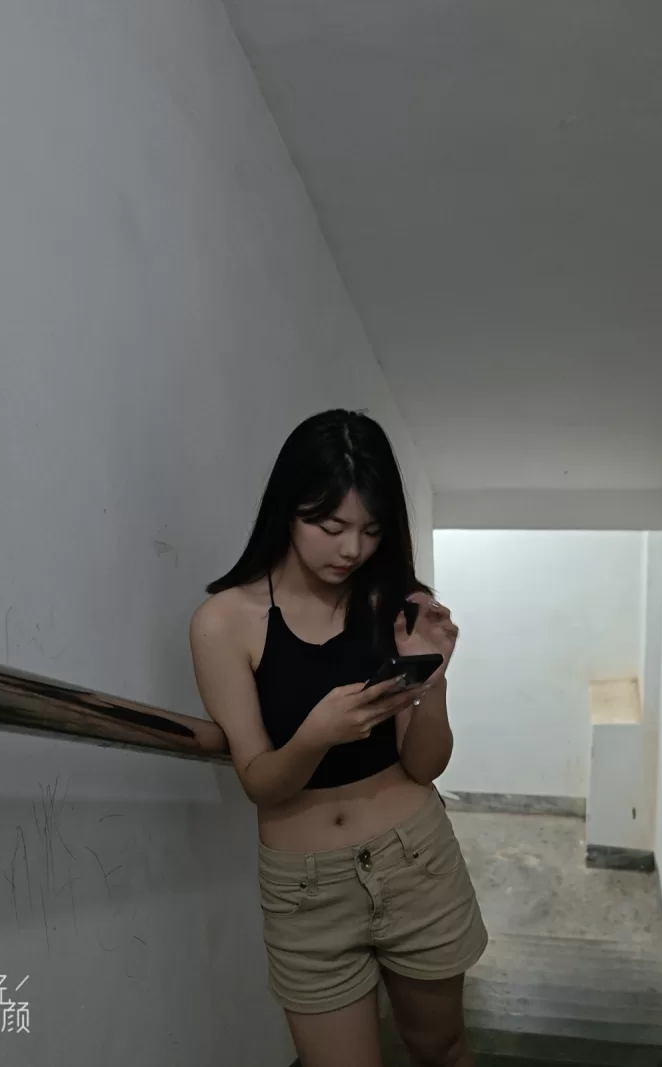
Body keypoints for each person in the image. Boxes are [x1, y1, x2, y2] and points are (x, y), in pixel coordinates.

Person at [190, 409, 487, 1067]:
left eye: (371, 530)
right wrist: (316, 735)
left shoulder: (395, 605)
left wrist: (433, 680)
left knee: (442, 1048)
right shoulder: (224, 622)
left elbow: (424, 765)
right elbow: (259, 781)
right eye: (330, 527)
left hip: (416, 858)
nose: (352, 549)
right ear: (287, 510)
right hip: (306, 888)